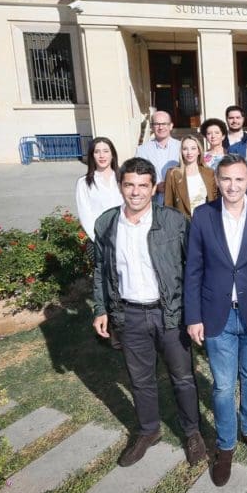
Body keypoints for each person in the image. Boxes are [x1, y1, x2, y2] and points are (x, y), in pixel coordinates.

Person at [91, 157, 206, 469]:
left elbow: (194, 269)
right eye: (129, 184)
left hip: (168, 314)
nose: (136, 192)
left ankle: (192, 433)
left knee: (182, 378)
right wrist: (101, 309)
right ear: (120, 186)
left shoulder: (174, 221)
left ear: (153, 187)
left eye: (143, 185)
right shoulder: (106, 223)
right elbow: (101, 270)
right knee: (140, 379)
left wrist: (194, 312)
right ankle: (148, 430)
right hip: (128, 315)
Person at [184, 153, 247, 487]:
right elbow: (193, 271)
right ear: (217, 180)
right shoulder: (202, 216)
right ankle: (226, 445)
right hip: (217, 314)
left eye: (238, 179)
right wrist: (193, 316)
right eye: (226, 179)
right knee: (224, 385)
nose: (232, 185)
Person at [75, 137, 123, 242]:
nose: (102, 156)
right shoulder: (84, 183)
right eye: (97, 152)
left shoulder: (124, 179)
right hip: (100, 239)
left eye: (106, 151)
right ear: (92, 155)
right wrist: (97, 238)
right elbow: (85, 215)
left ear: (112, 154)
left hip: (126, 236)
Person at [164, 134, 218, 218]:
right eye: (185, 149)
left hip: (206, 221)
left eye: (193, 148)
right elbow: (168, 205)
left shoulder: (209, 172)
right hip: (183, 225)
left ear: (199, 151)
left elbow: (214, 200)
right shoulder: (173, 174)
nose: (189, 152)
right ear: (181, 151)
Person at [135, 110, 181, 205]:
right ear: (152, 127)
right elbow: (138, 175)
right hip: (155, 201)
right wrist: (154, 187)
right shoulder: (142, 150)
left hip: (179, 198)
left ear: (171, 126)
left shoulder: (181, 147)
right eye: (157, 124)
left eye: (164, 123)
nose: (161, 127)